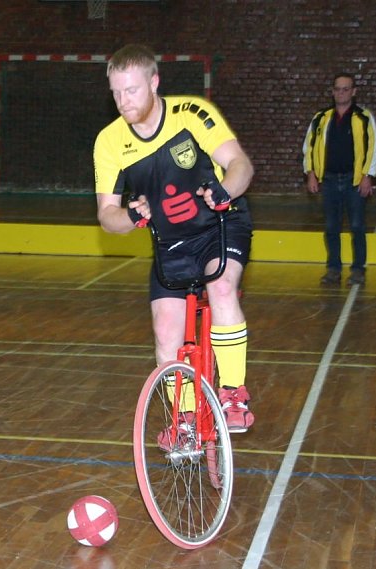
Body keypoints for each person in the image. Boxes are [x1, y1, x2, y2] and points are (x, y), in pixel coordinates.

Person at [94, 44, 255, 433]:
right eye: (116, 93)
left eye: (131, 90)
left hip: (220, 225)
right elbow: (106, 216)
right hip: (172, 242)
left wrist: (225, 191)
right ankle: (184, 420)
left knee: (221, 286)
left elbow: (240, 165)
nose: (123, 101)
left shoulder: (191, 114)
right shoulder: (109, 142)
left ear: (154, 82)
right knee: (166, 328)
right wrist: (130, 216)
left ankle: (233, 393)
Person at [302, 73, 376, 286]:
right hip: (328, 180)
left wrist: (368, 176)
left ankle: (358, 270)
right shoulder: (321, 118)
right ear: (332, 91)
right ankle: (333, 269)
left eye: (346, 89)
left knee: (357, 226)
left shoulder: (364, 118)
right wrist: (311, 173)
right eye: (337, 89)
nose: (341, 92)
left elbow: (372, 148)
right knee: (331, 227)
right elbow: (309, 146)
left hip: (354, 181)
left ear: (353, 91)